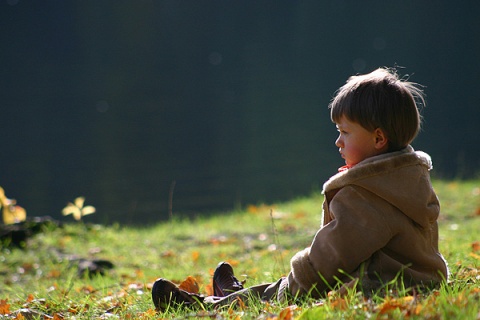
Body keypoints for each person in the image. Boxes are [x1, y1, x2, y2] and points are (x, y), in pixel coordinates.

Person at [151, 67, 449, 312]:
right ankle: (232, 295)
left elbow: (331, 257)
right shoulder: (406, 179)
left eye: (345, 132)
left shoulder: (368, 194)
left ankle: (209, 306)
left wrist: (297, 278)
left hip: (379, 286)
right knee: (285, 286)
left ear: (379, 139)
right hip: (417, 282)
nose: (338, 142)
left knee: (290, 288)